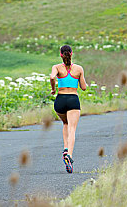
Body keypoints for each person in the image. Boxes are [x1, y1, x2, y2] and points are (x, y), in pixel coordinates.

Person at [50, 45, 87, 173]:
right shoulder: (78, 69)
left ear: (61, 55)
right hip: (73, 100)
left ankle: (65, 147)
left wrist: (53, 89)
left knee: (65, 123)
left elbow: (52, 77)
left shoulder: (56, 67)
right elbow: (83, 87)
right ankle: (69, 156)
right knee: (72, 128)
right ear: (71, 53)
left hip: (60, 100)